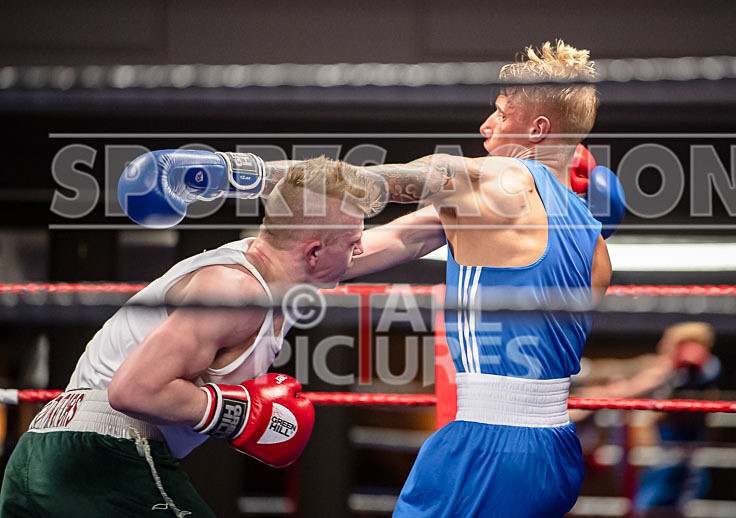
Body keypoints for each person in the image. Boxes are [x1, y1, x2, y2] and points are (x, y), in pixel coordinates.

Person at [0, 155, 444, 517]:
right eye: (351, 242)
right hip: (99, 456)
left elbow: (404, 238)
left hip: (53, 455)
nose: (359, 249)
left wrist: (483, 194)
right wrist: (240, 414)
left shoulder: (286, 271)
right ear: (313, 251)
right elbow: (132, 389)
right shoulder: (234, 291)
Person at [362, 40, 622, 517]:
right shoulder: (596, 246)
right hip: (557, 453)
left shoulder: (505, 177)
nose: (486, 126)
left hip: (489, 447)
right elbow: (374, 249)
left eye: (501, 114)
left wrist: (264, 177)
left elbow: (427, 174)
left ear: (537, 130)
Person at [572, 322, 721, 518]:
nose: (662, 347)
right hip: (660, 457)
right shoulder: (667, 368)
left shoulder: (695, 366)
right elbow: (634, 370)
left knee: (659, 508)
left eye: (668, 343)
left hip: (675, 456)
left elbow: (631, 389)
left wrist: (600, 395)